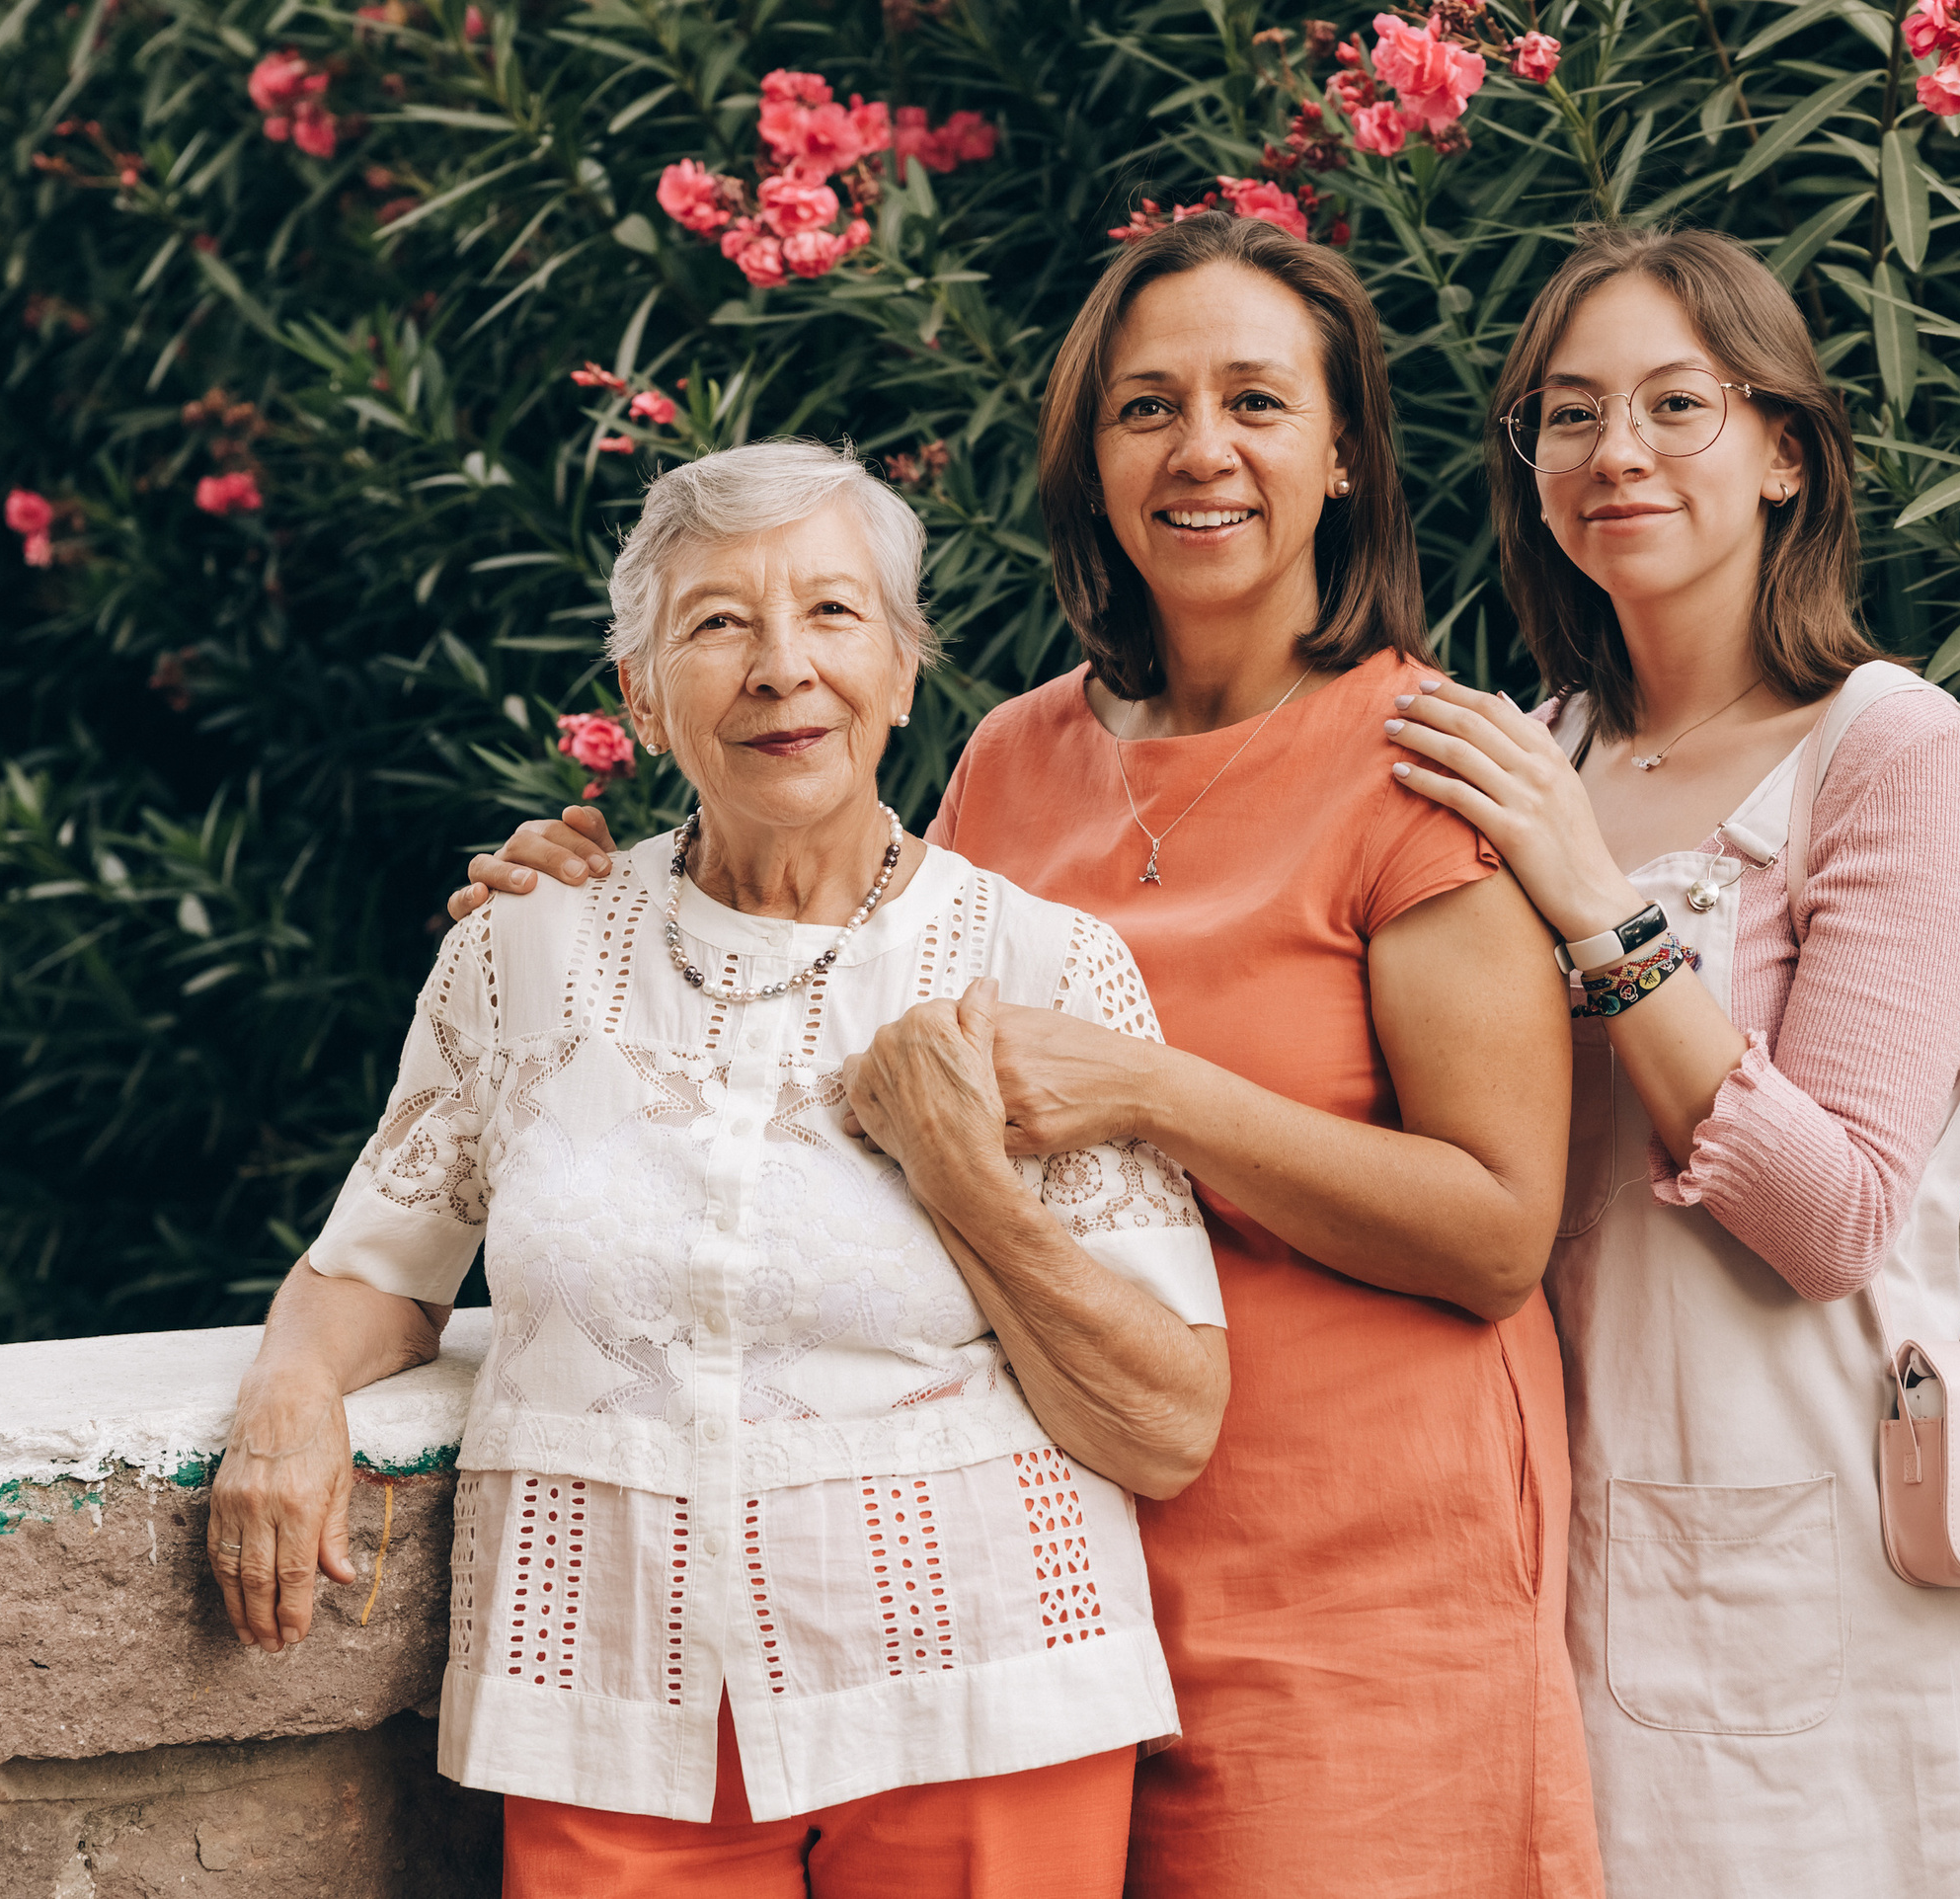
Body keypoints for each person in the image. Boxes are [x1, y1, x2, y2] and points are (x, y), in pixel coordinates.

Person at [452, 213, 1603, 1898]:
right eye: (1147, 406)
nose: (1199, 450)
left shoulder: (1423, 765)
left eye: (1257, 404)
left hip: (1354, 1568)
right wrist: (588, 901)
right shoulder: (1014, 757)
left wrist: (1150, 1090)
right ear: (1091, 455)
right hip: (1046, 1570)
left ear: (1346, 450)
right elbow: (810, 964)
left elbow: (1500, 1231)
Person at [205, 439, 1232, 1899]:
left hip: (983, 1690)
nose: (779, 668)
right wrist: (289, 1397)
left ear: (902, 668)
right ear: (641, 693)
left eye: (830, 614)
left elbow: (1172, 1418)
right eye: (717, 623)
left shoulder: (1042, 967)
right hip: (614, 1702)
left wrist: (967, 1180)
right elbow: (377, 1266)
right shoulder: (520, 956)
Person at [1382, 225, 1960, 1895]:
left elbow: (1833, 1216)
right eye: (1567, 413)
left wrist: (1597, 908)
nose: (1613, 452)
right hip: (1554, 1541)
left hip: (1833, 1554)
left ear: (1783, 453)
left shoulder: (1890, 748)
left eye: (1675, 405)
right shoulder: (1523, 756)